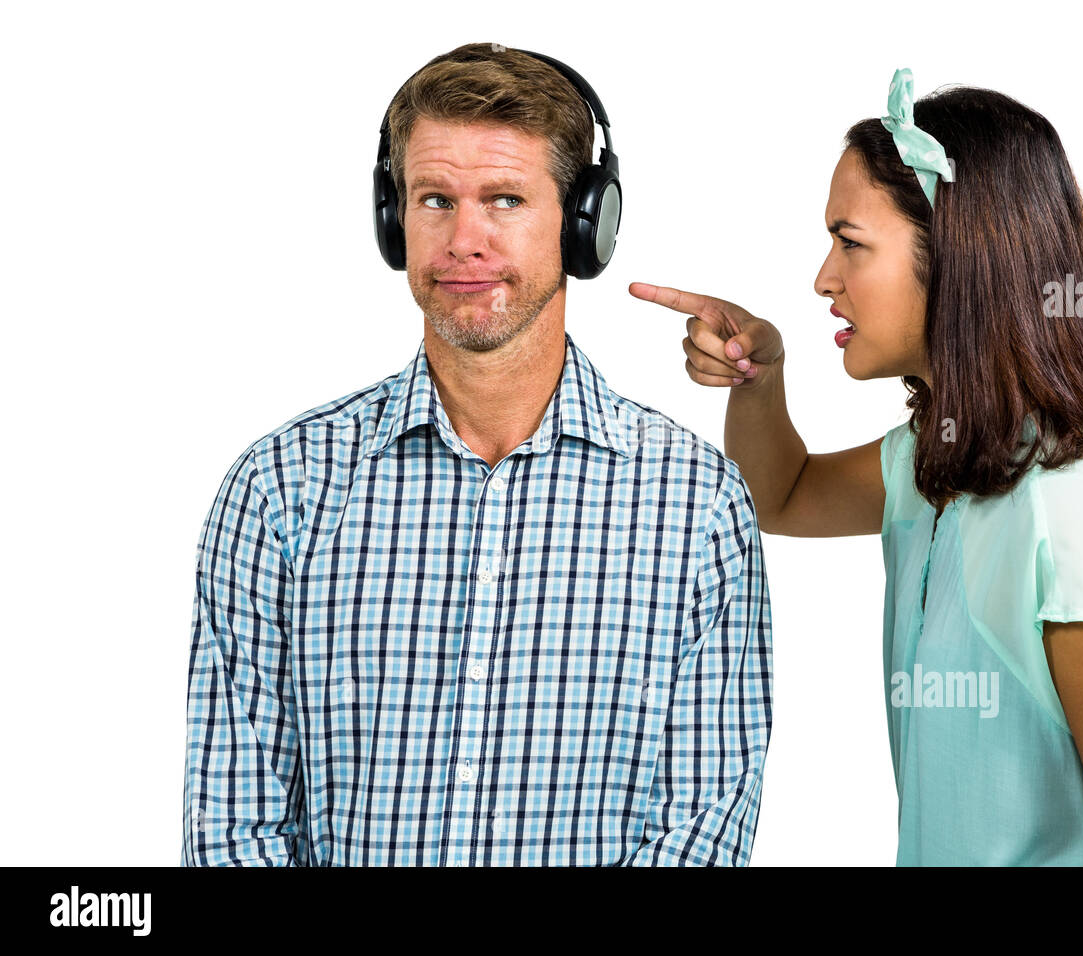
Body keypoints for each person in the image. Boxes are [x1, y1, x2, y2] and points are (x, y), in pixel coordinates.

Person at [182, 43, 773, 867]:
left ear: (582, 224)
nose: (465, 239)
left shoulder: (695, 503)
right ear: (393, 220)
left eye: (504, 199)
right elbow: (233, 829)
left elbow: (700, 831)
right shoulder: (280, 490)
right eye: (433, 199)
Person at [631, 69, 1083, 866]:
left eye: (850, 243)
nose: (822, 278)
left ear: (956, 262)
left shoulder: (1075, 528)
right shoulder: (935, 464)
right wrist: (760, 376)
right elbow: (783, 494)